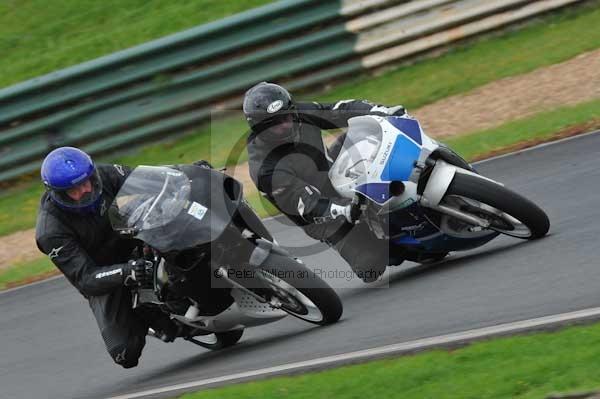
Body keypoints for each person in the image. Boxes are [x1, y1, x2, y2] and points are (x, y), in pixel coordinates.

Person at [243, 82, 407, 283]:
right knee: (371, 266)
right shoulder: (264, 169)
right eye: (275, 123)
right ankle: (392, 244)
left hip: (333, 175)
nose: (285, 124)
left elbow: (339, 110)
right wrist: (346, 210)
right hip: (320, 217)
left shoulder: (298, 115)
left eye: (286, 117)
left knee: (370, 130)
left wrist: (380, 111)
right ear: (260, 127)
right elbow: (307, 205)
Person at [35, 147, 178, 369]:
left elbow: (149, 180)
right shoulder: (51, 231)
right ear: (59, 194)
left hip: (132, 239)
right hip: (103, 274)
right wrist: (126, 272)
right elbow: (86, 279)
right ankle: (145, 313)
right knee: (125, 354)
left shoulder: (103, 174)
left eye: (86, 181)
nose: (85, 189)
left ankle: (233, 275)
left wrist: (183, 174)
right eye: (75, 189)